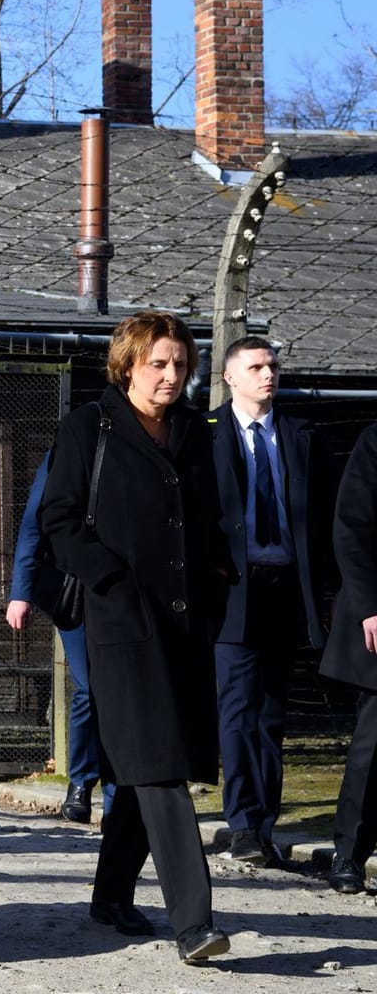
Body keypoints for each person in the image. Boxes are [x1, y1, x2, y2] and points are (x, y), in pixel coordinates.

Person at [39, 310, 232, 962]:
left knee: (138, 765)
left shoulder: (194, 432)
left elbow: (207, 522)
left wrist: (218, 579)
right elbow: (59, 519)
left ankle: (110, 895)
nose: (172, 375)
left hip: (183, 626)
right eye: (159, 363)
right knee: (161, 770)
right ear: (128, 364)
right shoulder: (87, 427)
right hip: (121, 625)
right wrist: (110, 580)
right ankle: (195, 923)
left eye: (180, 364)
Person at [208, 336, 336, 866]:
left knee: (272, 712)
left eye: (274, 366)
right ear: (231, 377)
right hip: (233, 586)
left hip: (287, 586)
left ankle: (265, 824)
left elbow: (325, 517)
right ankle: (241, 822)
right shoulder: (204, 434)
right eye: (257, 367)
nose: (269, 374)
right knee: (236, 707)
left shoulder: (302, 435)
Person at [6, 453, 114, 824]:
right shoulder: (68, 452)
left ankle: (119, 794)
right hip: (78, 589)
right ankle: (82, 782)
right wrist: (21, 591)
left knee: (121, 692)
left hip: (133, 590)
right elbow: (33, 525)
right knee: (91, 687)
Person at [324, 421, 377, 894]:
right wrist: (369, 606)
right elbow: (352, 528)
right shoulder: (374, 442)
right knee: (373, 744)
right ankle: (349, 854)